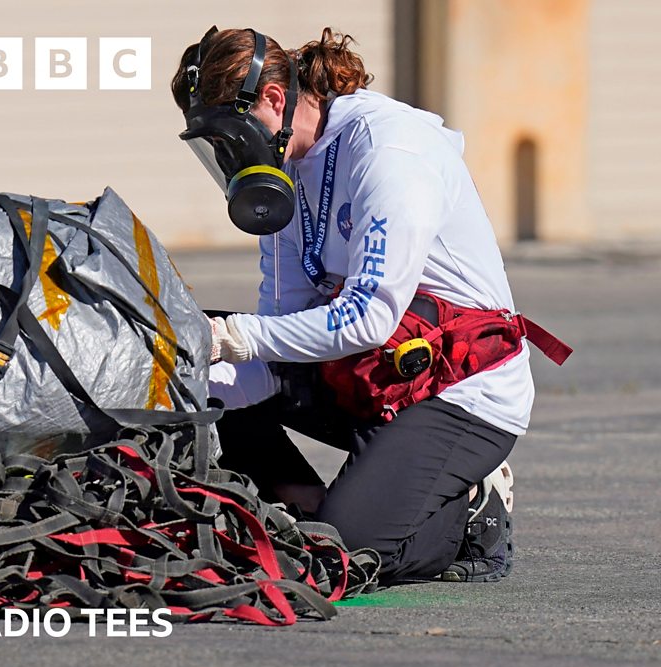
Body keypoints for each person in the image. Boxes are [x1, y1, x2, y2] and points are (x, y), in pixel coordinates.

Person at [170, 26, 570, 584]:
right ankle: (307, 509)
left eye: (231, 137)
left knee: (343, 558)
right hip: (367, 372)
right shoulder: (286, 173)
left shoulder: (389, 151)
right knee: (191, 365)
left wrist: (234, 339)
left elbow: (366, 317)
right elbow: (281, 326)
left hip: (457, 390)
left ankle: (471, 510)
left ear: (275, 100)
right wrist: (195, 375)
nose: (230, 157)